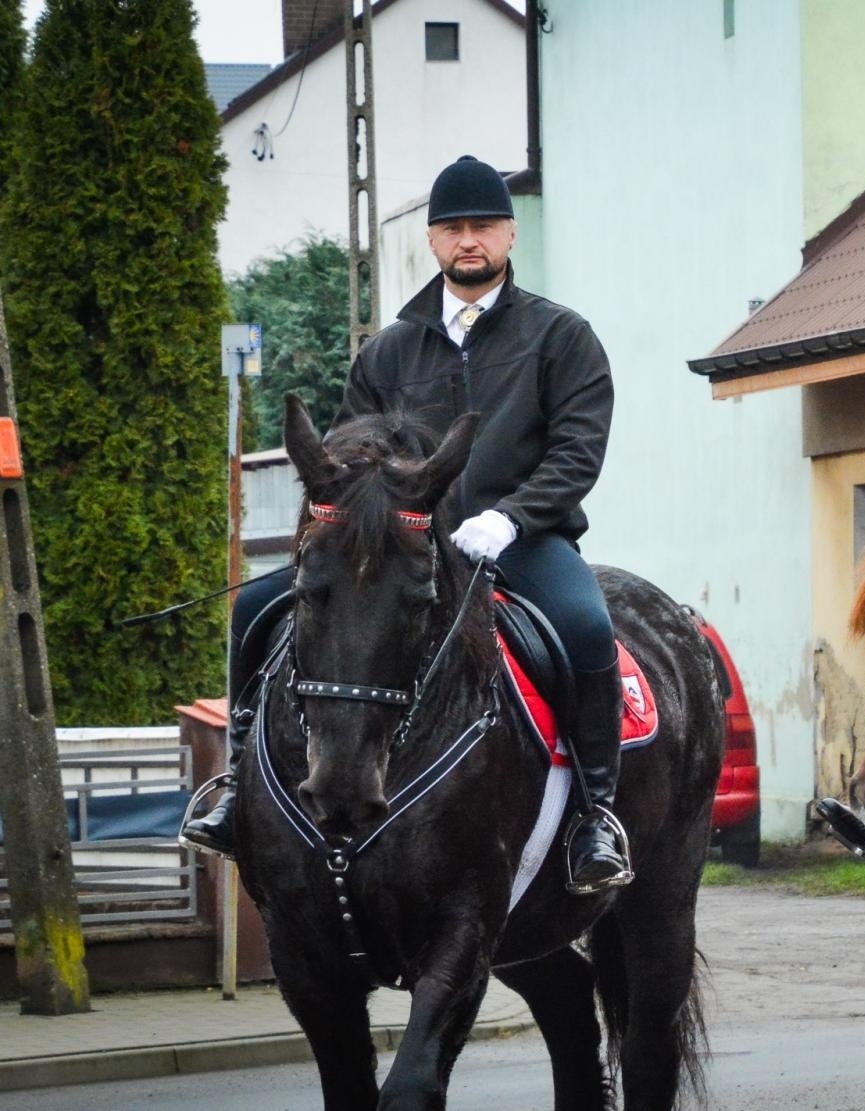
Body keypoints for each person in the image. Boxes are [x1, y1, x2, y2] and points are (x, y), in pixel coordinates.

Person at [183, 155, 633, 895]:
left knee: (585, 628)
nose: (468, 241)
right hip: (397, 553)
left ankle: (596, 817)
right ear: (431, 241)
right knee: (253, 609)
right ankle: (237, 787)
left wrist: (512, 518)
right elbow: (344, 457)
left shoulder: (560, 337)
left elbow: (578, 451)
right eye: (452, 228)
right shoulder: (388, 350)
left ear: (510, 234)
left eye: (483, 226)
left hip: (521, 543)